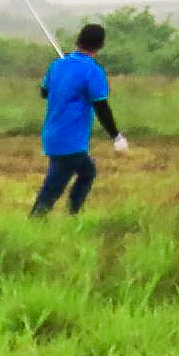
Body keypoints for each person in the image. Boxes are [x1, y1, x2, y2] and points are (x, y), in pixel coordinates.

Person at [32, 20, 125, 216]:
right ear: (101, 45)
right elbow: (101, 106)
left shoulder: (57, 65)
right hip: (70, 140)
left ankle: (73, 213)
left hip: (53, 135)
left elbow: (44, 92)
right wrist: (116, 136)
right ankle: (48, 217)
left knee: (86, 172)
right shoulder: (93, 71)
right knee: (55, 185)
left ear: (78, 40)